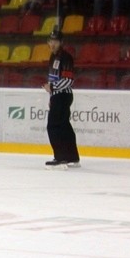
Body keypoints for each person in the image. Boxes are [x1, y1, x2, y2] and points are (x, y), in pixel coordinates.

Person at [42, 28, 80, 169]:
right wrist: (52, 95)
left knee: (53, 126)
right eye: (50, 41)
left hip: (63, 96)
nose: (52, 44)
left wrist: (52, 88)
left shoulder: (66, 57)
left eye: (55, 41)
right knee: (64, 126)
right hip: (58, 96)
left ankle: (60, 157)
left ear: (61, 42)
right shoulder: (53, 57)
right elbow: (55, 78)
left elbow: (68, 80)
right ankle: (72, 157)